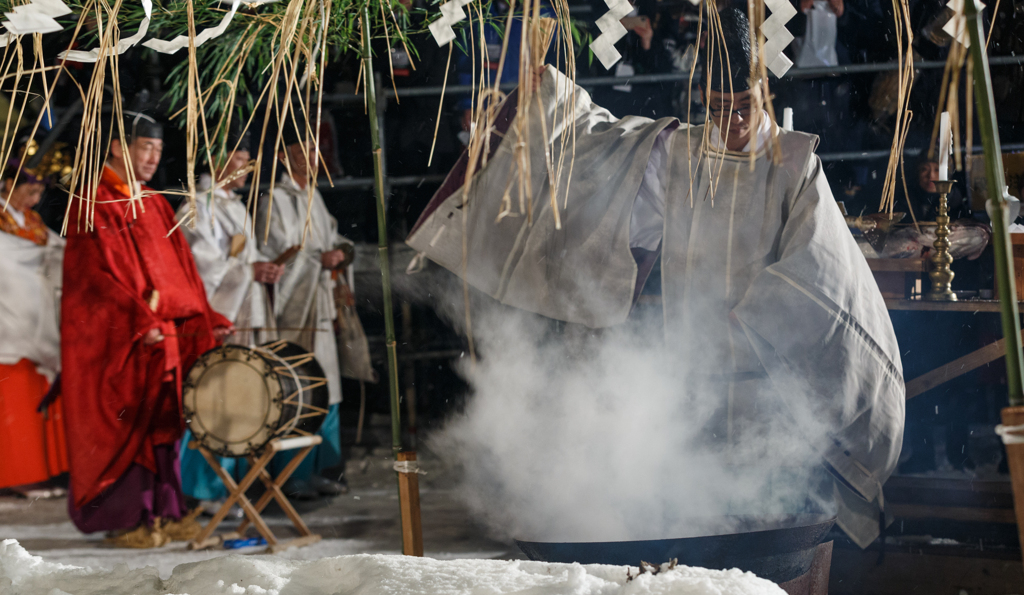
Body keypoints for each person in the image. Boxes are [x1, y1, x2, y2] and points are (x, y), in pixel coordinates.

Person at [407, 9, 904, 551]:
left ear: (763, 91)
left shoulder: (795, 160)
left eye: (744, 107)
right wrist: (540, 99)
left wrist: (759, 314)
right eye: (718, 109)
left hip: (765, 355)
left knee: (768, 480)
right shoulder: (680, 152)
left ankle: (778, 569)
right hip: (690, 352)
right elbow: (592, 147)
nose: (733, 122)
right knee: (700, 485)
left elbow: (823, 261)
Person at [62, 111, 233, 547]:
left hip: (167, 337)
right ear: (119, 146)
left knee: (165, 425)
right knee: (128, 426)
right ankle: (130, 518)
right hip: (124, 340)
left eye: (158, 148)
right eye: (145, 146)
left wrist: (208, 320)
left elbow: (183, 275)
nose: (154, 157)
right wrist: (139, 320)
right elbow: (92, 284)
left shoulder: (155, 203)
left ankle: (168, 511)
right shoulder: (92, 203)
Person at [176, 126, 283, 508]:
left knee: (238, 395)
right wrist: (247, 272)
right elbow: (199, 264)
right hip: (216, 316)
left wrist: (260, 269)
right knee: (212, 396)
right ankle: (200, 489)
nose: (245, 168)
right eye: (238, 159)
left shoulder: (235, 205)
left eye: (248, 162)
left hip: (243, 311)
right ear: (216, 158)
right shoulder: (195, 204)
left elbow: (241, 261)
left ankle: (233, 484)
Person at [256, 111, 352, 500]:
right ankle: (291, 476)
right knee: (296, 389)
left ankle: (319, 468)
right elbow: (276, 255)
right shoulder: (273, 200)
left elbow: (333, 239)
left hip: (320, 307)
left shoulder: (316, 196)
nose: (313, 154)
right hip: (294, 311)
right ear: (283, 155)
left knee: (325, 387)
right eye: (304, 148)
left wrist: (342, 254)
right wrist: (319, 260)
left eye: (314, 146)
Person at [0, 150, 68, 497]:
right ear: (8, 185)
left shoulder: (33, 221)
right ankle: (13, 476)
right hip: (8, 317)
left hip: (34, 314)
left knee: (34, 392)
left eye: (40, 192)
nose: (35, 198)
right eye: (29, 190)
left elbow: (53, 249)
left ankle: (37, 472)